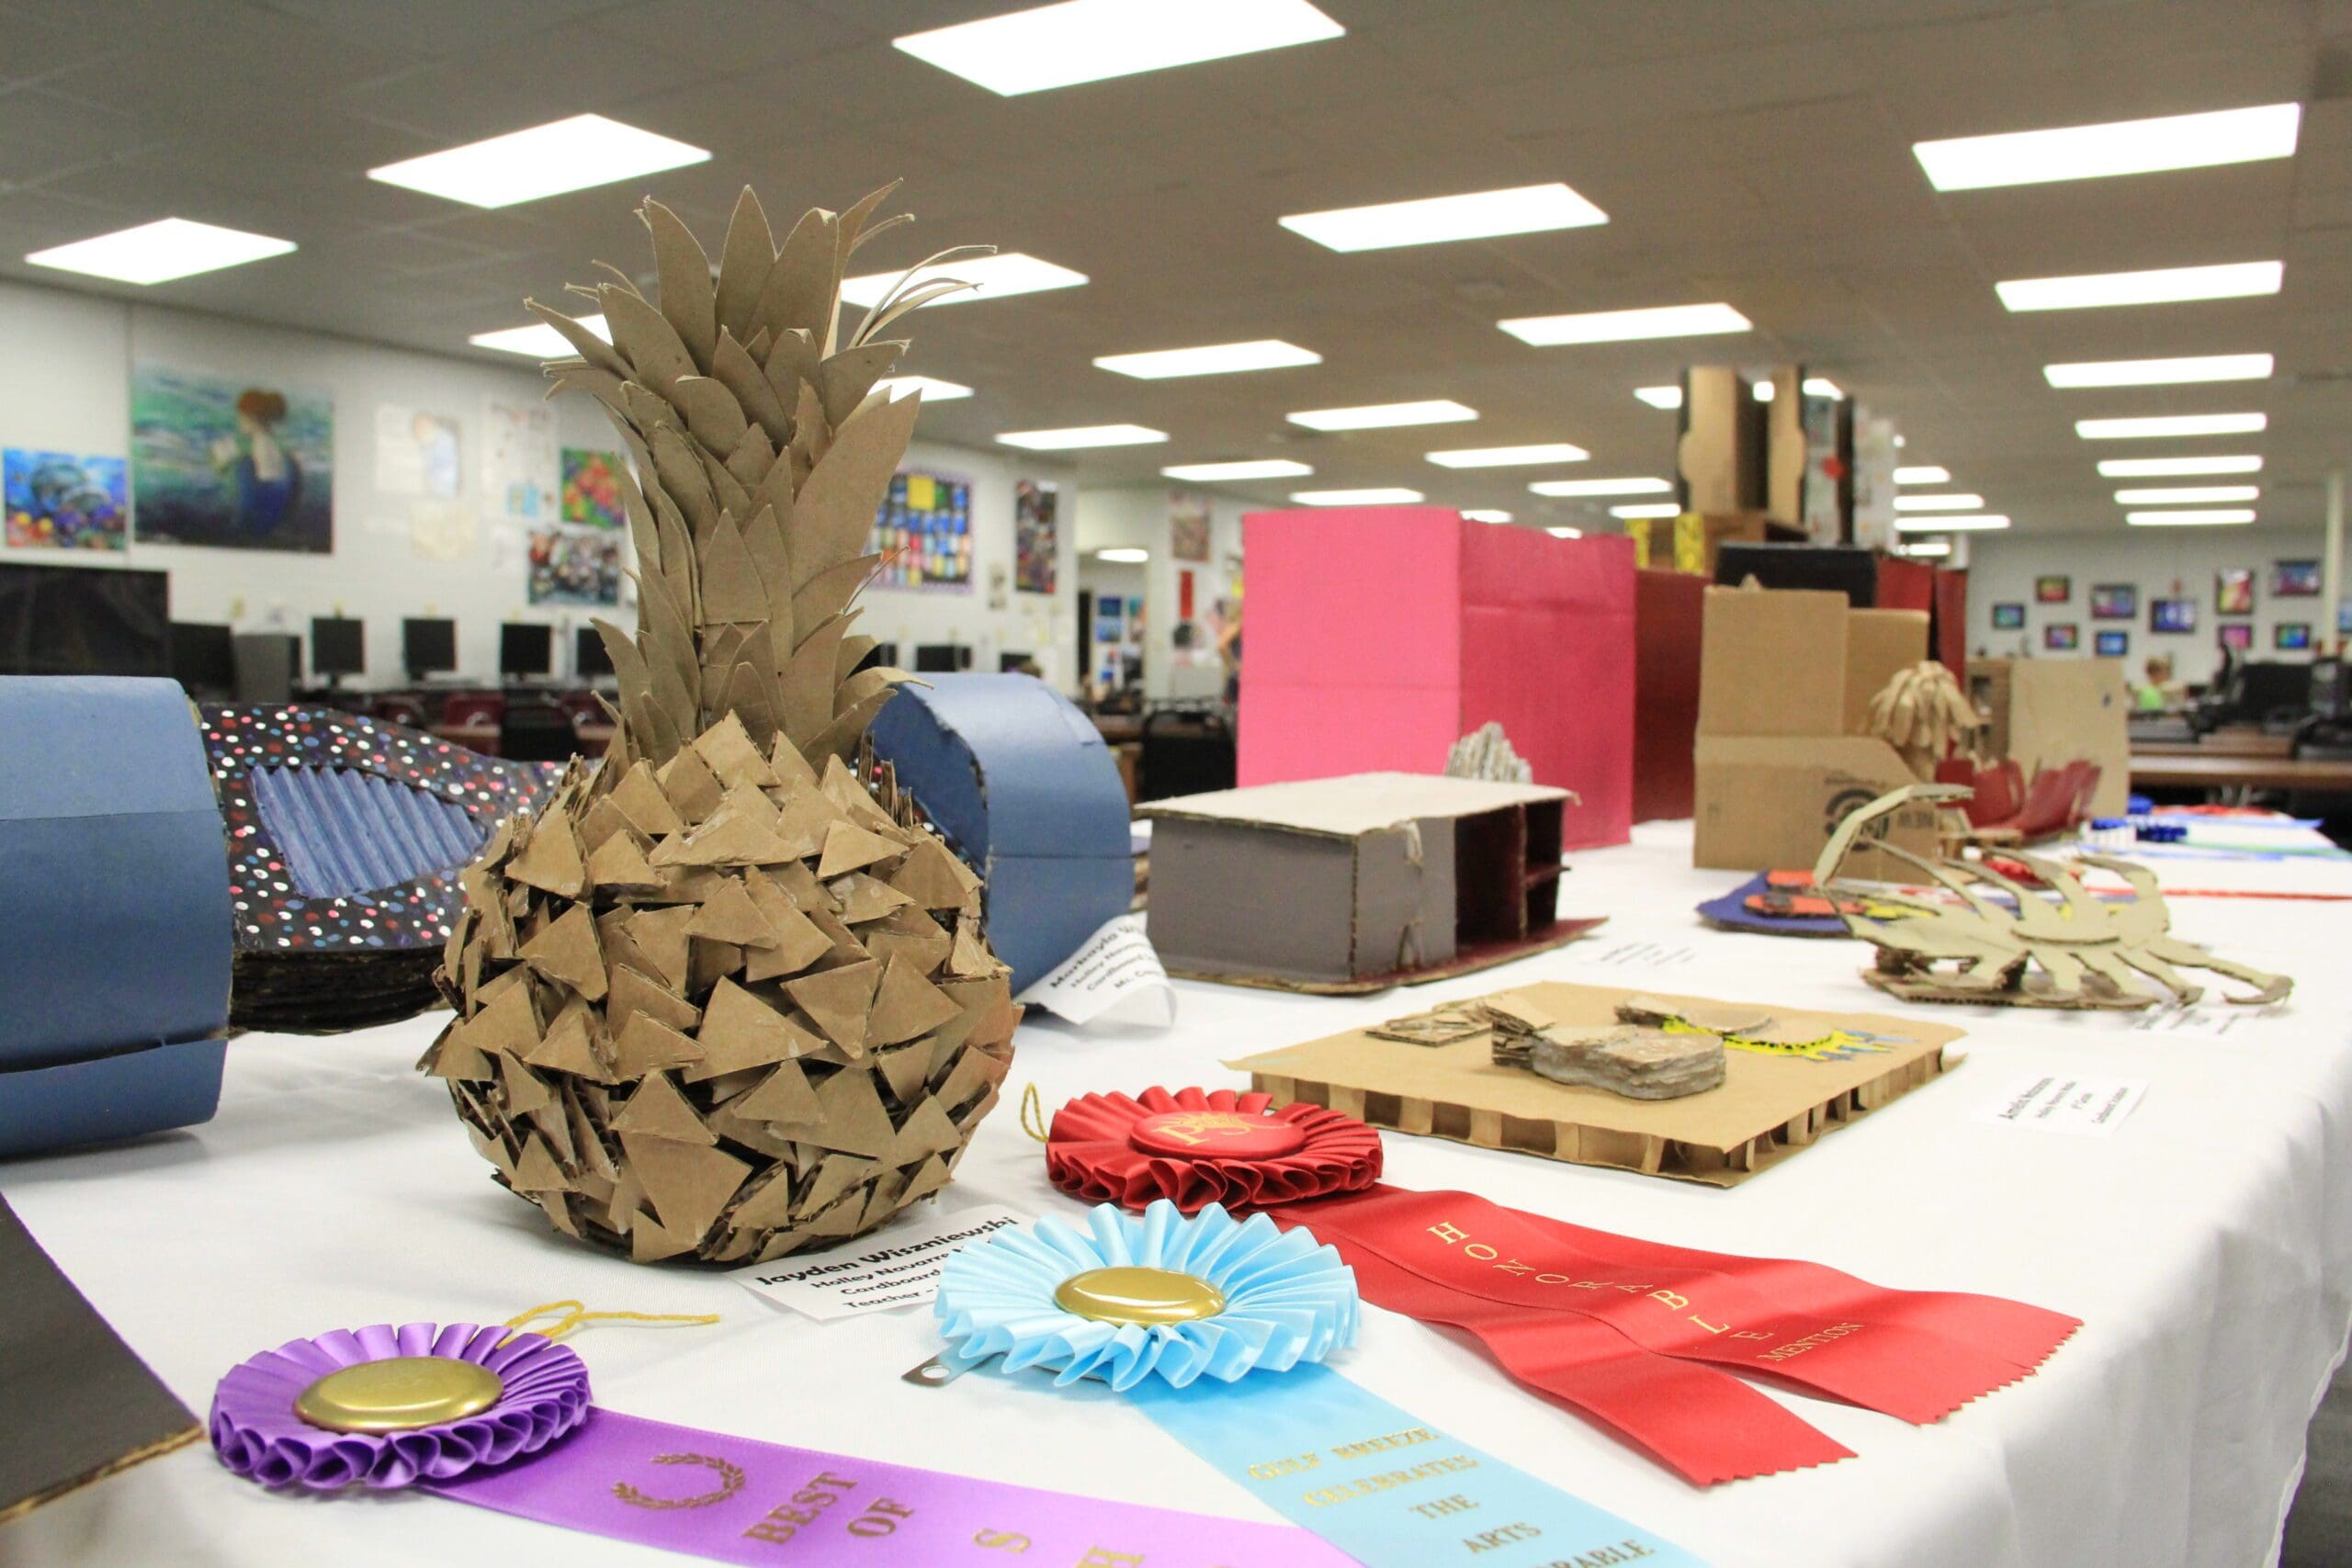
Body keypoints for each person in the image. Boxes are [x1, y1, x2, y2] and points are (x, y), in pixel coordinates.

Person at [212, 388, 303, 540]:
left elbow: (220, 468)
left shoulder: (254, 451)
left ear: (252, 419)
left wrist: (224, 458)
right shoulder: (285, 455)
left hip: (255, 523)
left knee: (243, 465)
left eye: (241, 417)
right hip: (277, 520)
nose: (239, 422)